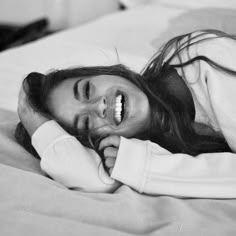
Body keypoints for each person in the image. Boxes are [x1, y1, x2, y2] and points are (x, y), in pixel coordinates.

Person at [16, 29, 236, 197]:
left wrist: (144, 167)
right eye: (86, 122)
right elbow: (99, 180)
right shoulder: (147, 148)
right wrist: (36, 123)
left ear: (104, 73)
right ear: (97, 141)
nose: (99, 107)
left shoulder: (202, 59)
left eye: (86, 90)